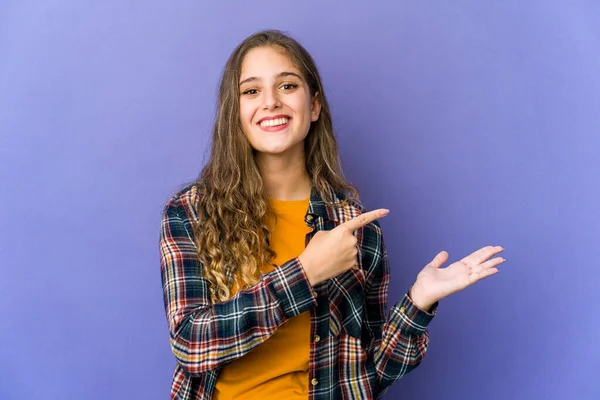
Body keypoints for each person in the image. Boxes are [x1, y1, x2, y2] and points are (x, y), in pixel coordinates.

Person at [159, 29, 505, 400]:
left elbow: (364, 377)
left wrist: (418, 303)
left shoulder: (353, 228)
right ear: (235, 111)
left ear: (315, 106)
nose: (271, 102)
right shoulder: (191, 211)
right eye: (251, 91)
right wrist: (306, 273)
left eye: (288, 86)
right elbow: (191, 344)